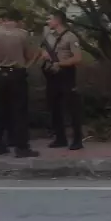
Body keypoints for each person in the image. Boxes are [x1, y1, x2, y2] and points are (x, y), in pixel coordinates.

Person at [0, 9, 39, 158]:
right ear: (18, 20)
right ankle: (21, 147)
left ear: (5, 18)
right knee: (19, 111)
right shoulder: (22, 34)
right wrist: (26, 65)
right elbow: (30, 54)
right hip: (16, 74)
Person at [40, 10, 84, 150]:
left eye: (50, 19)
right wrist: (45, 55)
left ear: (58, 20)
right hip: (52, 74)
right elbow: (42, 50)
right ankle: (60, 138)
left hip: (66, 74)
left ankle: (77, 139)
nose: (48, 22)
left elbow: (77, 58)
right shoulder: (49, 36)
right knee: (54, 107)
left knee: (72, 107)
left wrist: (61, 63)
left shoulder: (71, 37)